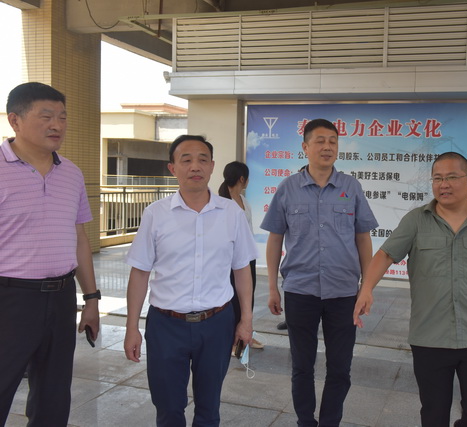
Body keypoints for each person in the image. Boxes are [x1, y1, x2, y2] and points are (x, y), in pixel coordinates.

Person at [354, 152, 467, 427]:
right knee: (434, 413)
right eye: (437, 179)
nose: (443, 184)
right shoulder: (416, 220)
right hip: (430, 336)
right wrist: (366, 289)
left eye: (451, 177)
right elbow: (385, 255)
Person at [124, 135, 257, 427]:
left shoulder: (231, 214)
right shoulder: (155, 214)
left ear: (212, 166)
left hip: (217, 324)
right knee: (168, 408)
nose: (195, 166)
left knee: (209, 408)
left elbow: (242, 270)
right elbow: (140, 272)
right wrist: (131, 327)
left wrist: (246, 320)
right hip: (166, 325)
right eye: (186, 160)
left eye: (202, 160)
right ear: (173, 168)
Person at [261, 119, 378, 426]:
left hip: (344, 293)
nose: (327, 147)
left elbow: (363, 237)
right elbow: (275, 239)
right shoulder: (288, 188)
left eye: (333, 142)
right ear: (305, 147)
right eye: (320, 141)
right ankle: (305, 421)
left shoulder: (351, 187)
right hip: (300, 291)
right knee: (302, 367)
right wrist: (272, 287)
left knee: (340, 368)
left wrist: (366, 286)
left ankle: (329, 422)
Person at [0, 82, 100, 426]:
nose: (57, 125)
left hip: (61, 298)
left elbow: (79, 237)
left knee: (54, 396)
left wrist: (91, 299)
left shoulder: (71, 173)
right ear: (15, 120)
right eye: (46, 116)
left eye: (62, 117)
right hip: (10, 299)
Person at [218, 160, 263, 349]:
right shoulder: (221, 202)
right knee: (232, 300)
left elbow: (249, 231)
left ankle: (246, 334)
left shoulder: (244, 202)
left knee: (247, 296)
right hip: (229, 260)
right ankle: (231, 340)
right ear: (242, 179)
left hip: (247, 258)